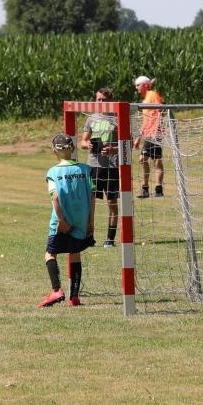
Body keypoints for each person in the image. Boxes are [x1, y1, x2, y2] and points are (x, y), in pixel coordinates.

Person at [40, 132, 95, 308]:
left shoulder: (53, 172)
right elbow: (92, 197)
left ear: (54, 151)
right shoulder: (86, 170)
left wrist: (61, 220)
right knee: (75, 254)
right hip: (82, 220)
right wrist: (90, 222)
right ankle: (75, 297)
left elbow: (55, 198)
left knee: (50, 253)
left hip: (61, 222)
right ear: (72, 149)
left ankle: (56, 290)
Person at [85, 87, 120, 247]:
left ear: (110, 101)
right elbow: (82, 141)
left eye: (104, 100)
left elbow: (127, 144)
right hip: (94, 165)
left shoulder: (118, 118)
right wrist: (89, 145)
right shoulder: (91, 118)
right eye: (98, 99)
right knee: (90, 202)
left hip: (112, 166)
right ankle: (89, 236)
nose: (100, 102)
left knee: (112, 203)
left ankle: (110, 239)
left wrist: (112, 149)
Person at [133, 75, 165, 199]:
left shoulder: (152, 95)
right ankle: (152, 189)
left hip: (155, 133)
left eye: (138, 85)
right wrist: (139, 138)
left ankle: (155, 189)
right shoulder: (145, 100)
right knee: (146, 159)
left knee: (152, 160)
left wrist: (157, 130)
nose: (136, 88)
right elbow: (145, 121)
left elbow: (160, 111)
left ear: (145, 85)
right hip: (148, 134)